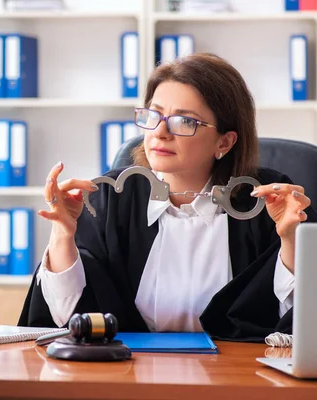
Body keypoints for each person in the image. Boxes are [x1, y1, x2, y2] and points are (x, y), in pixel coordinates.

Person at [18, 53, 317, 342]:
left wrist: (292, 239)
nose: (160, 132)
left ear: (224, 141)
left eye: (185, 121)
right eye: (154, 115)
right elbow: (64, 317)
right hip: (129, 375)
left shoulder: (264, 200)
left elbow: (292, 323)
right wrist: (63, 233)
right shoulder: (110, 198)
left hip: (238, 379)